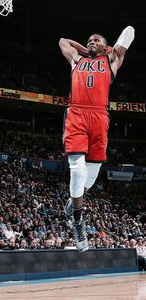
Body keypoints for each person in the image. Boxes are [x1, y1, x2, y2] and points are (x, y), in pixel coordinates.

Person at [59, 26, 135, 252]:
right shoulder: (76, 60)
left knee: (90, 178)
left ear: (104, 45)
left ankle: (74, 202)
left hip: (100, 117)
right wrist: (88, 50)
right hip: (77, 114)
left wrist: (107, 52)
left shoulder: (111, 62)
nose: (91, 42)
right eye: (89, 40)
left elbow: (129, 31)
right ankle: (78, 222)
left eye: (96, 40)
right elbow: (63, 39)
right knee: (77, 168)